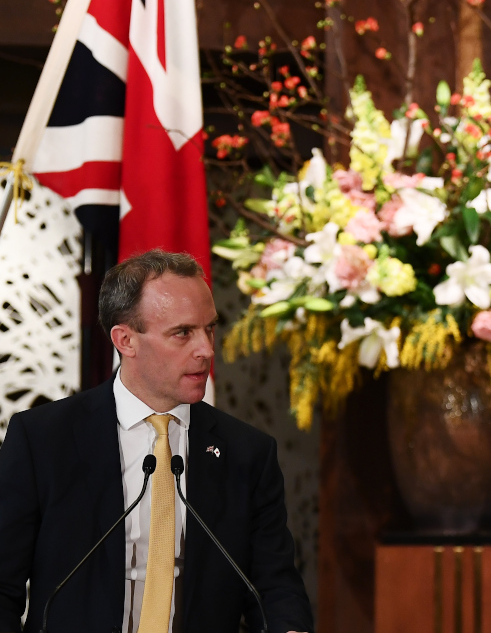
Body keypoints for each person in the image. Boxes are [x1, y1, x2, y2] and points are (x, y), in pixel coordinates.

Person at [0, 250, 312, 633]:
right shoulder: (42, 440)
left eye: (210, 329)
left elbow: (274, 586)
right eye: (183, 333)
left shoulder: (247, 453)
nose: (206, 350)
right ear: (126, 340)